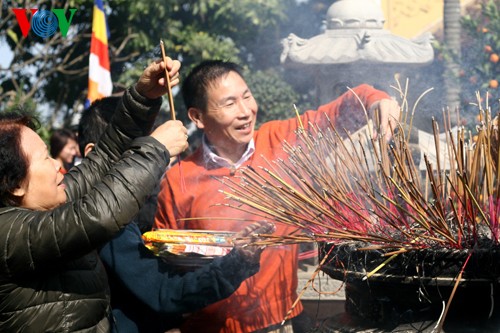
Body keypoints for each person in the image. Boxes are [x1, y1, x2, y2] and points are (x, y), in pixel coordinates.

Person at [154, 60, 401, 333]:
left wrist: (378, 102)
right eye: (229, 103)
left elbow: (346, 106)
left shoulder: (280, 140)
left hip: (283, 321)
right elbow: (166, 270)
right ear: (197, 117)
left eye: (247, 97)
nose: (246, 112)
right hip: (209, 327)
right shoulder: (178, 181)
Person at [0, 57, 189, 332]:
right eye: (44, 158)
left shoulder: (46, 204)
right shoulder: (8, 235)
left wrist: (143, 98)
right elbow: (97, 216)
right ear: (15, 185)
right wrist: (155, 149)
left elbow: (102, 160)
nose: (57, 164)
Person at [78, 95, 275, 333]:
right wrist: (238, 261)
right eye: (139, 152)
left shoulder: (119, 206)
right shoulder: (103, 218)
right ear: (94, 153)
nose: (152, 163)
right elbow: (164, 292)